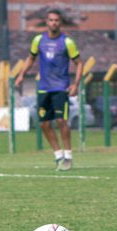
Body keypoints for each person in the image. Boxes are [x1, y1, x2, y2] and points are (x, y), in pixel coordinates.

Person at [15, 9, 82, 171]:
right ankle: (58, 155)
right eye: (51, 20)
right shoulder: (38, 40)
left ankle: (68, 156)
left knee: (61, 121)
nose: (54, 23)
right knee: (44, 124)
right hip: (44, 88)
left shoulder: (67, 42)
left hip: (61, 87)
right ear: (47, 22)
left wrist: (76, 84)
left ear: (60, 23)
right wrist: (21, 75)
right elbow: (31, 58)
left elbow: (79, 63)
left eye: (56, 20)